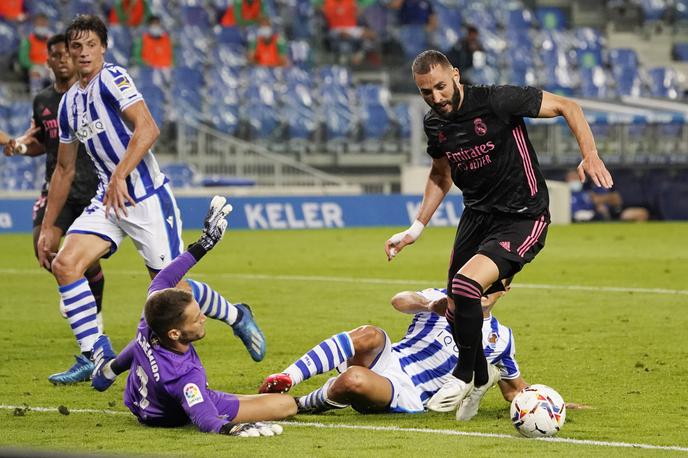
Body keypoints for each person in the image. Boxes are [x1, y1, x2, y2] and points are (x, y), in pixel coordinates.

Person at [383, 50, 613, 420]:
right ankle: (480, 375)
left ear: (455, 75)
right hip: (477, 217)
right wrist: (415, 228)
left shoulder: (497, 100)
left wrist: (590, 154)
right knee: (457, 307)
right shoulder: (435, 125)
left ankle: (466, 375)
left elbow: (568, 106)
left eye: (441, 87)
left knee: (466, 286)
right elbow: (441, 176)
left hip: (523, 215)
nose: (437, 98)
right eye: (427, 92)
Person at [36, 15, 265, 384]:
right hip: (109, 199)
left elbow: (148, 127)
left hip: (144, 196)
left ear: (103, 48)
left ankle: (238, 316)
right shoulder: (68, 105)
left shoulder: (112, 79)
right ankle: (96, 354)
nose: (83, 53)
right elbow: (63, 169)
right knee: (65, 265)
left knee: (170, 294)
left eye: (91, 45)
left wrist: (120, 174)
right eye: (76, 46)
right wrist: (49, 226)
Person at [91, 197, 296, 436]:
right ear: (175, 333)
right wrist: (232, 428)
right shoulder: (185, 375)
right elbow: (206, 418)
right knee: (286, 405)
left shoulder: (152, 319)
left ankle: (105, 371)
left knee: (249, 398)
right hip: (170, 414)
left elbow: (164, 282)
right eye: (196, 318)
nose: (204, 318)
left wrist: (204, 244)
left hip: (140, 403)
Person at [258, 281, 525, 418]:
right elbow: (399, 301)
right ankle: (287, 377)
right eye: (484, 280)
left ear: (506, 289)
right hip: (390, 358)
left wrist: (552, 405)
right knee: (370, 334)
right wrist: (429, 305)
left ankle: (297, 405)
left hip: (408, 391)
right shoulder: (443, 297)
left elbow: (514, 391)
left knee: (352, 380)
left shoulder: (501, 338)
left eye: (496, 284)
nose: (486, 289)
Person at [4, 33, 106, 353]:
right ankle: (77, 289)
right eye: (56, 55)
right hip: (58, 186)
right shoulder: (43, 101)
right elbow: (41, 141)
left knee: (82, 261)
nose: (63, 60)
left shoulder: (89, 95)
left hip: (92, 187)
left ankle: (90, 310)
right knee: (43, 246)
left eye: (67, 54)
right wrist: (20, 147)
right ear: (48, 60)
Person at [18, 13, 52, 94]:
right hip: (34, 66)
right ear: (35, 25)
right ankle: (36, 96)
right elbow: (23, 59)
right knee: (36, 72)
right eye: (40, 24)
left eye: (43, 24)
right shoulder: (28, 41)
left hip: (49, 67)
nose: (42, 26)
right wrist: (33, 65)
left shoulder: (51, 40)